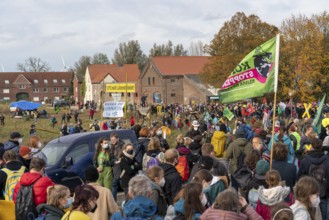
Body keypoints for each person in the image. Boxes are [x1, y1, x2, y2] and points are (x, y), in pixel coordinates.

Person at [297, 138, 329, 219]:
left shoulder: (305, 161)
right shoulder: (327, 160)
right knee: (325, 215)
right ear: (321, 147)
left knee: (310, 215)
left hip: (310, 193)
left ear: (311, 147)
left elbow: (300, 178)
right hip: (325, 192)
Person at [109, 132, 125, 201]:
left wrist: (114, 160)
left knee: (123, 185)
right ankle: (114, 201)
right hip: (115, 169)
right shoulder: (112, 146)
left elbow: (119, 157)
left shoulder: (122, 145)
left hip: (120, 168)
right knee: (115, 185)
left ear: (117, 139)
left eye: (114, 140)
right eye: (111, 140)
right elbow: (111, 157)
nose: (112, 141)